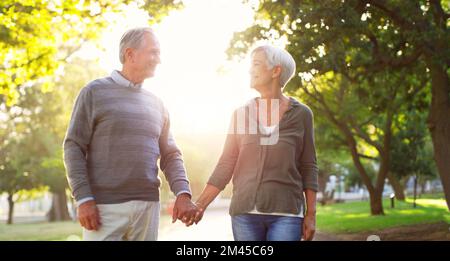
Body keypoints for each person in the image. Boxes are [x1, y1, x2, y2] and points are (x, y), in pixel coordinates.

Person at [63, 27, 198, 241]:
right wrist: (83, 198)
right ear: (130, 54)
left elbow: (171, 154)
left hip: (147, 207)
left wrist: (183, 192)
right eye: (153, 52)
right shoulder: (94, 92)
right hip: (103, 209)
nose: (158, 59)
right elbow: (73, 147)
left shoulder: (158, 104)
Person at [192, 45, 318, 241]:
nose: (251, 70)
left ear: (276, 71)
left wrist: (311, 215)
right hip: (245, 215)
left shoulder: (302, 114)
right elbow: (226, 163)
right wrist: (200, 205)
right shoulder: (241, 114)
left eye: (256, 64)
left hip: (287, 214)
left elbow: (309, 166)